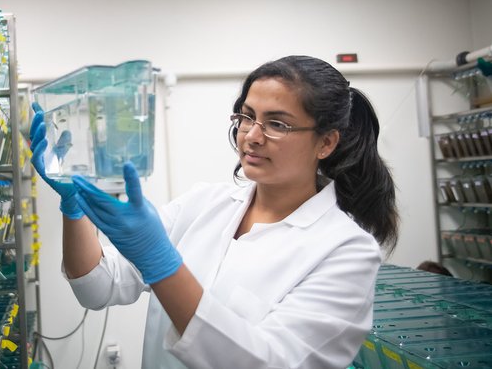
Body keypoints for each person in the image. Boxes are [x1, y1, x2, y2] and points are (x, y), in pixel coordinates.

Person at [29, 55, 399, 369]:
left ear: (326, 142)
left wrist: (162, 265)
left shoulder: (346, 250)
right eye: (247, 116)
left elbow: (267, 361)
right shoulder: (204, 204)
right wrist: (73, 206)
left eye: (277, 123)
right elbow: (97, 288)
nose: (251, 135)